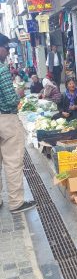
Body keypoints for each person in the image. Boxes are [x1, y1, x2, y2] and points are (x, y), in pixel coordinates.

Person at [0, 33, 36, 213]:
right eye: (6, 48)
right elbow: (9, 100)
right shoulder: (1, 69)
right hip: (5, 120)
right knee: (13, 161)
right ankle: (16, 203)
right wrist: (19, 95)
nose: (7, 53)